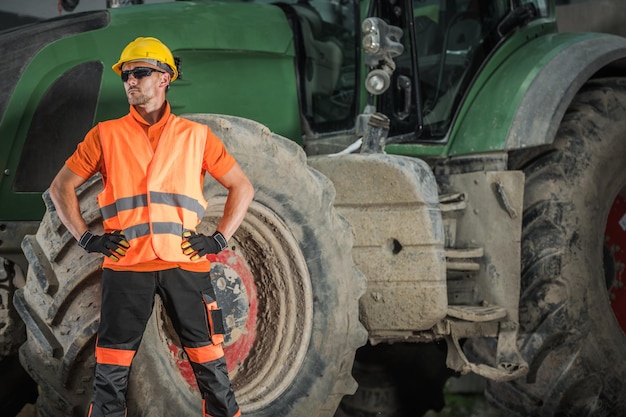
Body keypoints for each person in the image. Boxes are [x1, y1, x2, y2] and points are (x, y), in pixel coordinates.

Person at [49, 36, 254, 417]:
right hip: (127, 267)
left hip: (186, 266)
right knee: (109, 375)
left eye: (139, 72)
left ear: (164, 78)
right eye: (125, 75)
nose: (130, 80)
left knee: (211, 369)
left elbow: (242, 187)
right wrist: (86, 238)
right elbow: (60, 187)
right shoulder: (105, 136)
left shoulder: (196, 137)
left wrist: (220, 239)